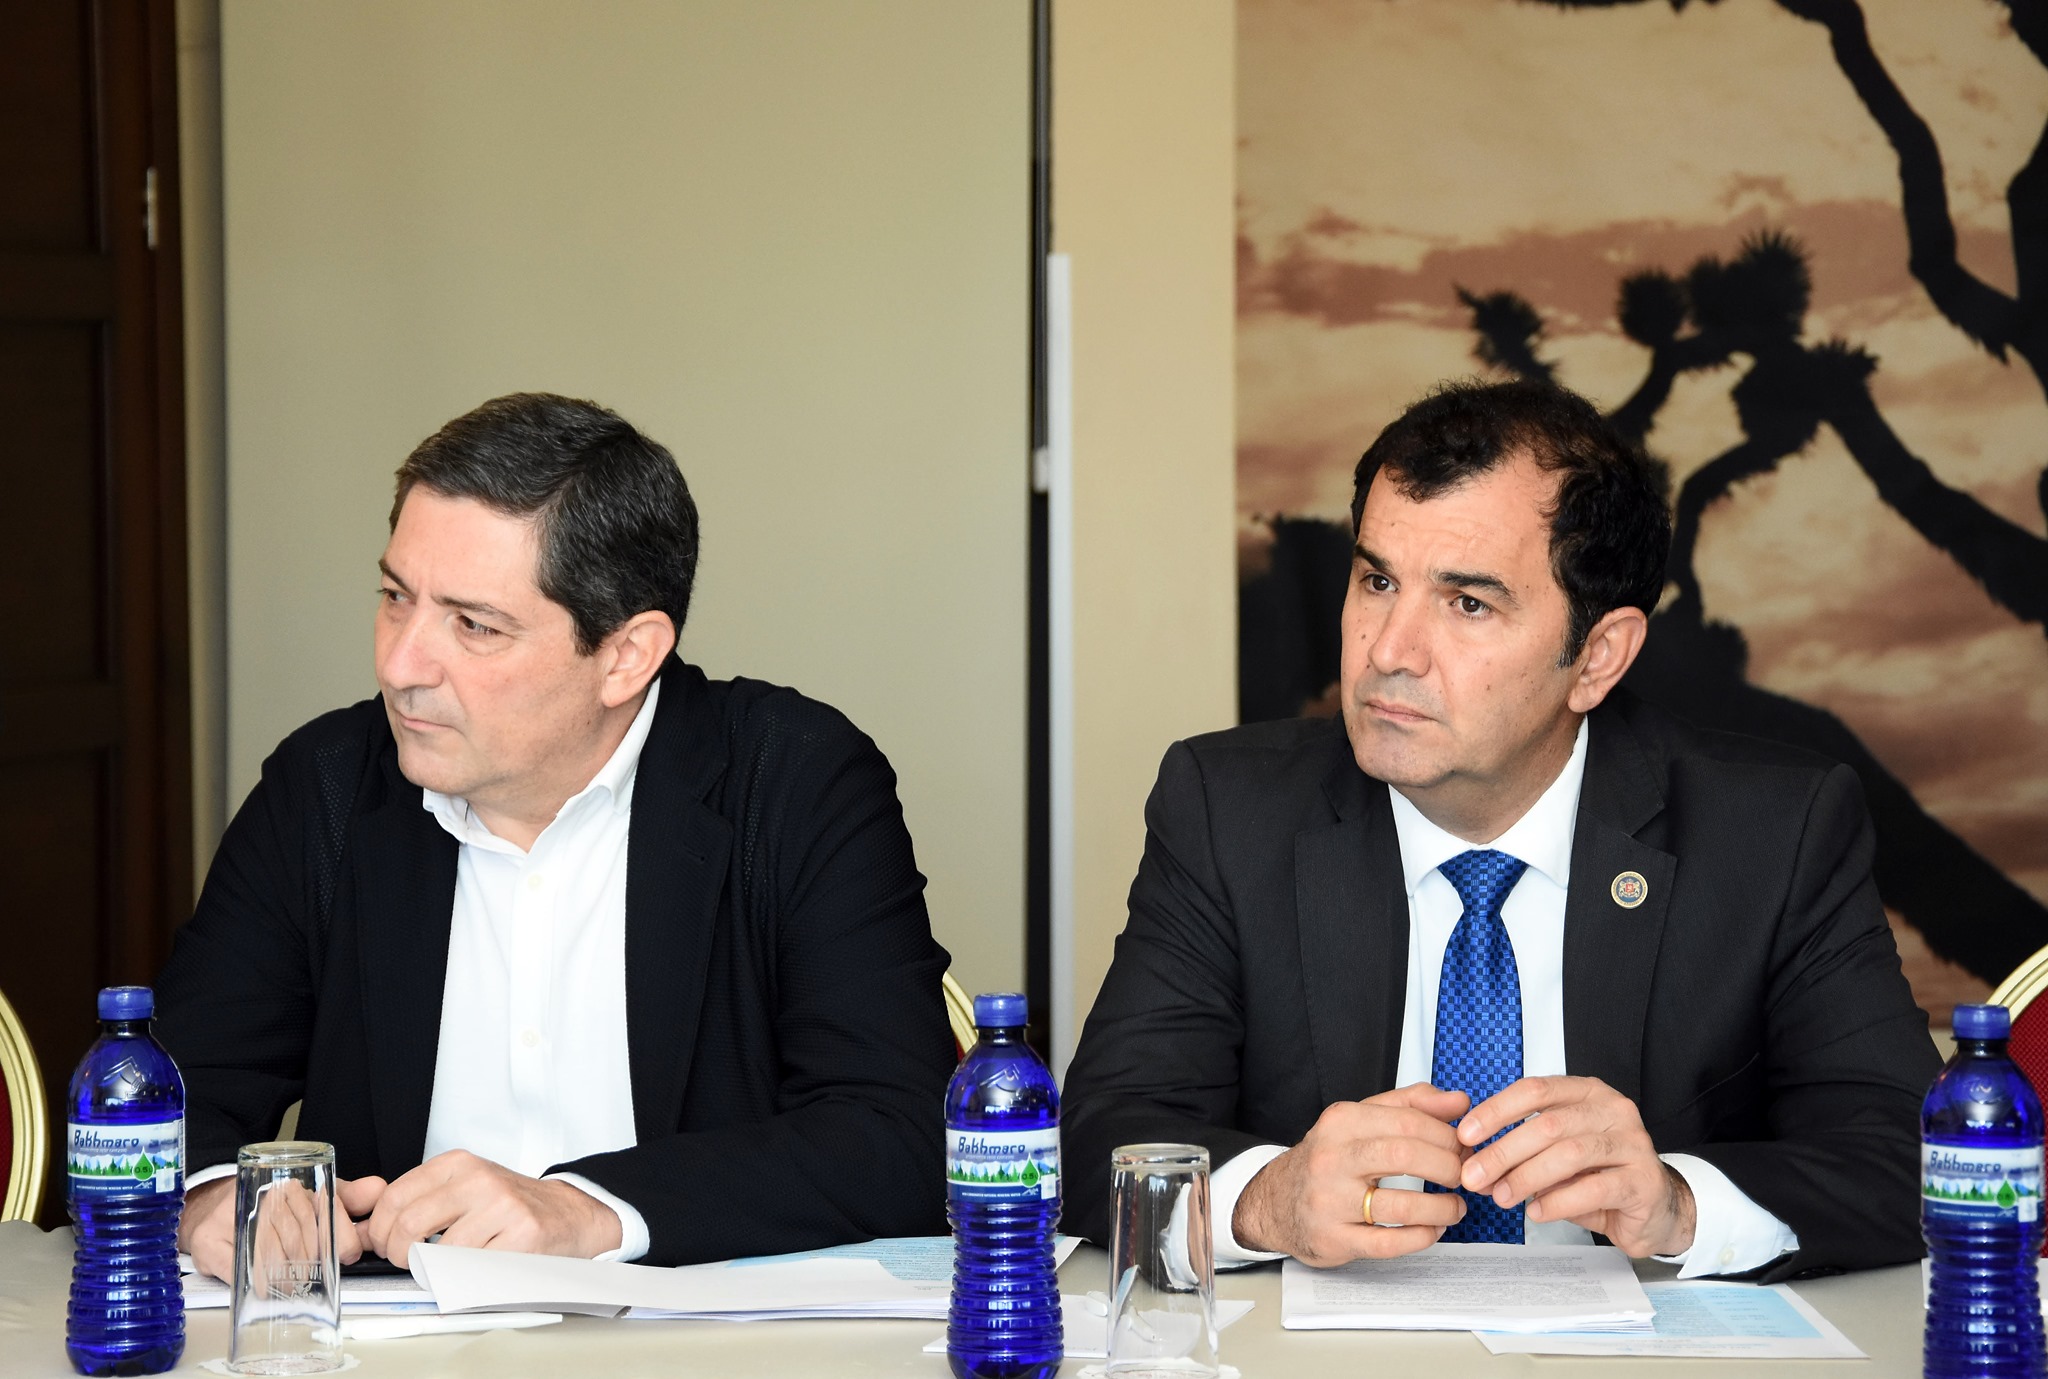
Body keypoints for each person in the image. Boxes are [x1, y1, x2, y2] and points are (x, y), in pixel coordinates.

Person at [1062, 378, 1937, 1283]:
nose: (1389, 650)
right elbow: (1097, 1139)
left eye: (1467, 603)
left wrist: (1680, 1203)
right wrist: (1264, 1201)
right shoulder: (1228, 811)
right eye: (1377, 581)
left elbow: (1913, 1159)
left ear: (1597, 657)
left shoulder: (1773, 834)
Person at [159, 393, 957, 1279]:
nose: (399, 663)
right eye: (394, 597)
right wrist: (211, 1195)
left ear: (626, 655)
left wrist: (591, 1210)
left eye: (474, 625)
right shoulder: (325, 789)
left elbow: (900, 1132)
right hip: (400, 1331)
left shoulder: (793, 783)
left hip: (697, 1335)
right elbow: (164, 1089)